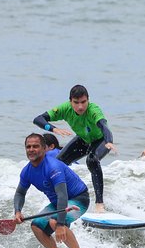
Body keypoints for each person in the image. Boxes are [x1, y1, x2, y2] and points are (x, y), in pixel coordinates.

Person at [33, 85, 117, 213]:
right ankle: (63, 199)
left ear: (88, 100)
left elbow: (104, 126)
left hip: (102, 140)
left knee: (92, 160)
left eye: (83, 102)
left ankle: (99, 204)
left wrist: (109, 141)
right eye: (76, 102)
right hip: (83, 139)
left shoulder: (94, 110)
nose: (80, 107)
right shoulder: (64, 108)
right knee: (57, 164)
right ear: (70, 101)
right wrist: (53, 129)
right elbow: (38, 119)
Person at [14, 133, 90, 248]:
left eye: (35, 146)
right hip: (59, 203)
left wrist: (60, 225)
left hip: (78, 199)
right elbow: (20, 192)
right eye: (28, 147)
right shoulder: (27, 171)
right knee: (36, 225)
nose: (31, 149)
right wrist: (17, 211)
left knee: (55, 221)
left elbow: (62, 195)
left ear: (44, 149)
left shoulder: (53, 166)